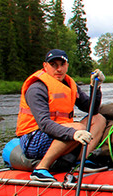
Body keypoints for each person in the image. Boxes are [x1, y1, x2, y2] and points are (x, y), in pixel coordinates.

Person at [16, 49, 107, 182]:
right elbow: (44, 124)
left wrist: (96, 88)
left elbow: (92, 109)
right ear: (45, 66)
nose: (58, 69)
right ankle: (41, 169)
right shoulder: (36, 88)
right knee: (77, 127)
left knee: (98, 119)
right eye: (53, 65)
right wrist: (72, 134)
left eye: (62, 64)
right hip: (33, 138)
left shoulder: (69, 84)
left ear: (67, 66)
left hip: (58, 133)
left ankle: (81, 162)